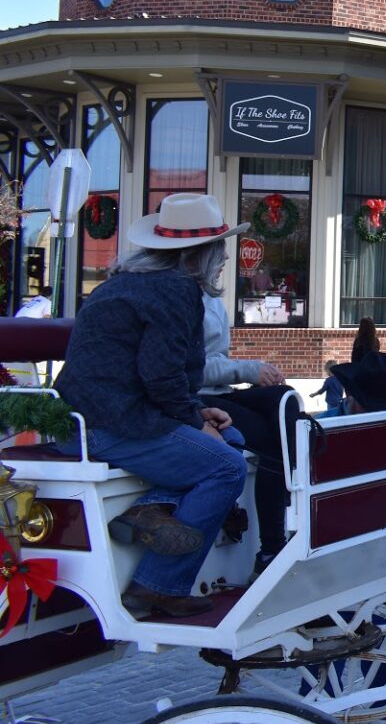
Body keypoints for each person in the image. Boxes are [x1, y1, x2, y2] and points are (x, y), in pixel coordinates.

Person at [54, 193, 249, 618]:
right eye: (220, 250)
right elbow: (160, 376)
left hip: (92, 416)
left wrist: (197, 414)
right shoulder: (175, 291)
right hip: (110, 425)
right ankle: (158, 584)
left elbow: (151, 374)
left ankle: (150, 509)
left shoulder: (125, 282)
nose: (225, 259)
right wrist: (194, 421)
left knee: (232, 434)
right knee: (227, 466)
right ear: (202, 254)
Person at [198, 288, 299, 581]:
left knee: (285, 399)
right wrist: (248, 370)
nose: (225, 259)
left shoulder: (213, 299)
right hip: (192, 397)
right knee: (271, 440)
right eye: (218, 252)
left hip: (221, 391)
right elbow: (189, 369)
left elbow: (217, 361)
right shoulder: (181, 298)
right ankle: (272, 546)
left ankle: (292, 493)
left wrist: (251, 373)